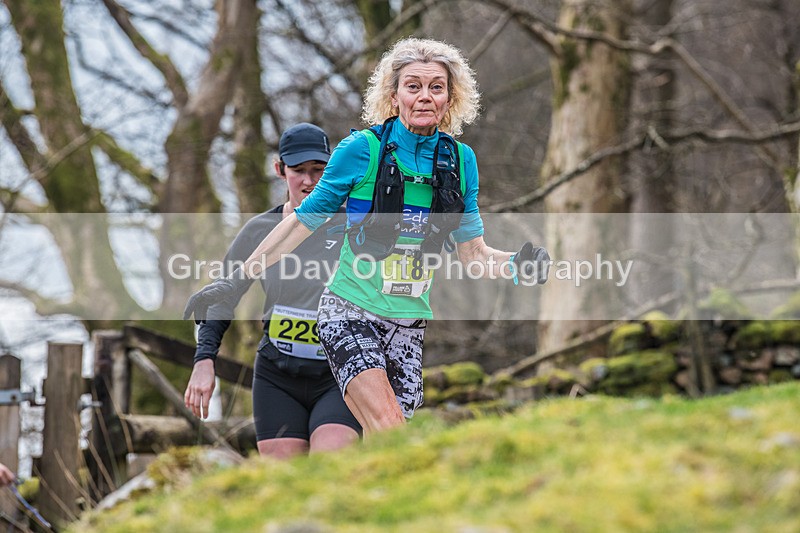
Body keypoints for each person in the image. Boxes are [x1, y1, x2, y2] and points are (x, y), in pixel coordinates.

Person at [185, 38, 549, 435]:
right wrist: (235, 280)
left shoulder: (461, 162)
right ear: (394, 96)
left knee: (385, 440)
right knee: (390, 426)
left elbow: (473, 254)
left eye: (436, 87)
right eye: (413, 86)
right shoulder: (362, 149)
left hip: (408, 322)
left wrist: (517, 265)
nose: (425, 97)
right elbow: (300, 222)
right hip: (348, 311)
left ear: (451, 98)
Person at [183, 123, 361, 459]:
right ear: (280, 170)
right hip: (278, 376)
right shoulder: (261, 230)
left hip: (340, 373)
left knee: (332, 463)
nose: (308, 181)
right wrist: (204, 360)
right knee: (284, 482)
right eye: (298, 171)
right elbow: (224, 295)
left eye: (318, 170)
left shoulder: (351, 224)